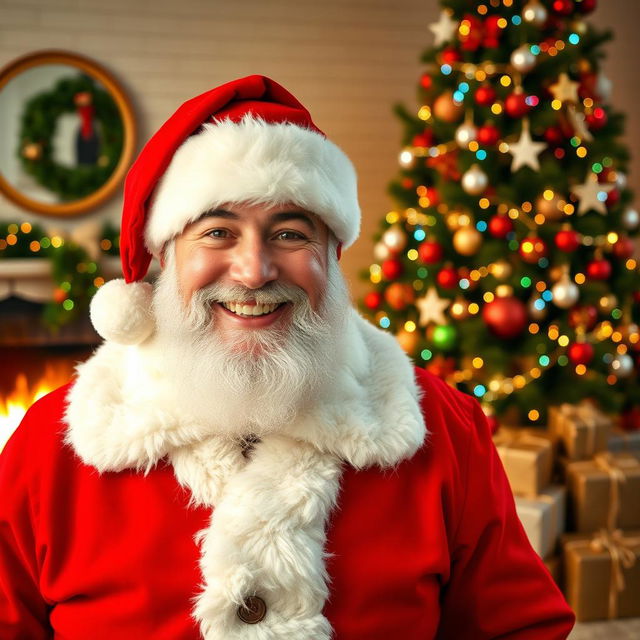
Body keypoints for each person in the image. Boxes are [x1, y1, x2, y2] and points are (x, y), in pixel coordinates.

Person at [0, 75, 575, 639]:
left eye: (291, 233)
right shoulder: (50, 446)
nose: (254, 271)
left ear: (332, 254)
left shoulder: (444, 429)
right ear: (166, 256)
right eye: (218, 232)